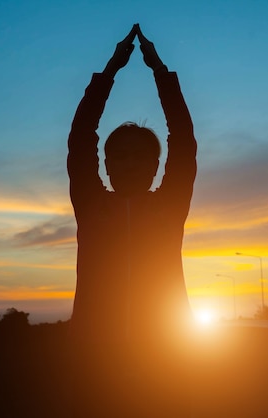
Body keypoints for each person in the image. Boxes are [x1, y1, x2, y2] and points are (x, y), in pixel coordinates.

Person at [67, 24, 197, 417]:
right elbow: (81, 136)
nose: (129, 164)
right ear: (104, 164)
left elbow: (183, 138)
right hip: (94, 363)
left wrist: (161, 73)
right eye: (118, 157)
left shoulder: (170, 206)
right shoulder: (91, 206)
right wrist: (109, 72)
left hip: (166, 362)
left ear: (157, 165)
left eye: (140, 156)